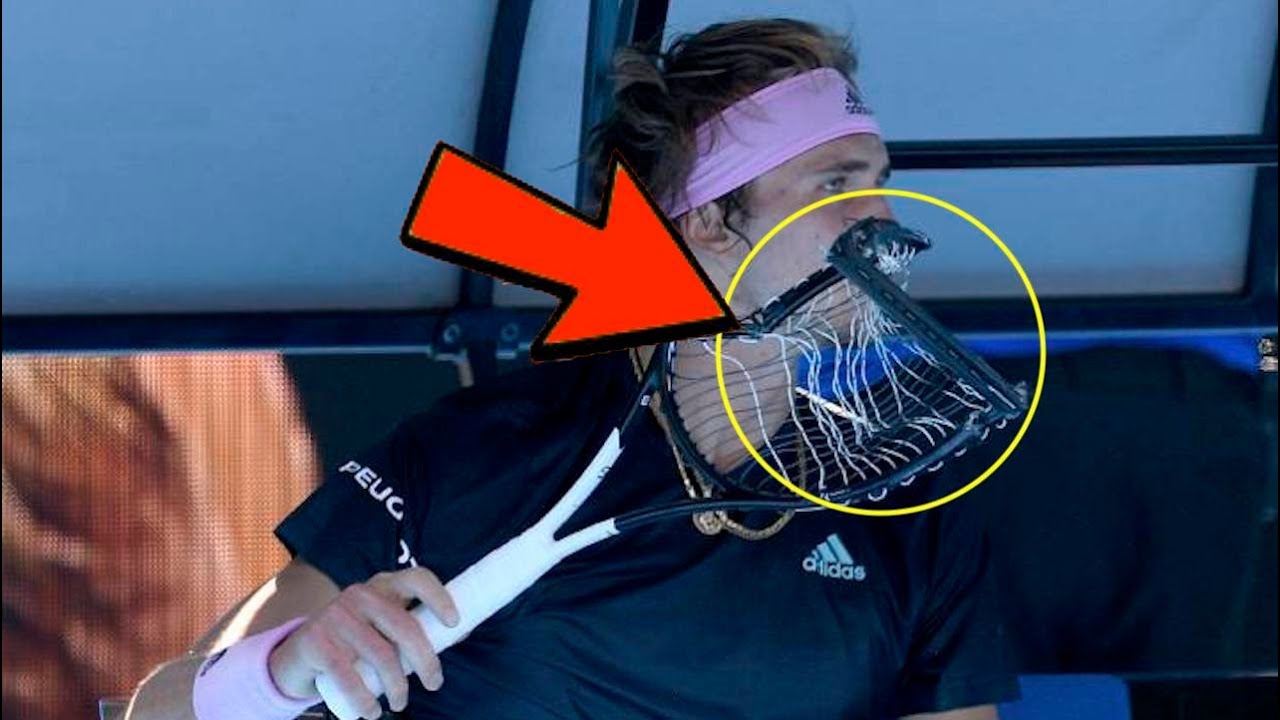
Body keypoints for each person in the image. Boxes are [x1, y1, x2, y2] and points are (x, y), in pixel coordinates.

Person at [124, 18, 1019, 720]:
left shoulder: (913, 505)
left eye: (880, 183)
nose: (885, 222)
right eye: (837, 185)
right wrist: (284, 668)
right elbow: (159, 713)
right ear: (709, 223)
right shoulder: (479, 452)